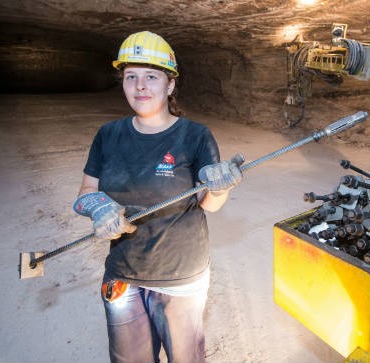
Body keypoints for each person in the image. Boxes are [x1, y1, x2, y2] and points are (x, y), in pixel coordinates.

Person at [72, 30, 243, 363]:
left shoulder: (195, 136)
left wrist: (220, 187)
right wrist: (99, 209)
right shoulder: (108, 135)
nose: (140, 86)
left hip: (180, 278)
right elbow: (84, 193)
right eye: (131, 77)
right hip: (122, 272)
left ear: (170, 84)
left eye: (151, 76)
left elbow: (209, 203)